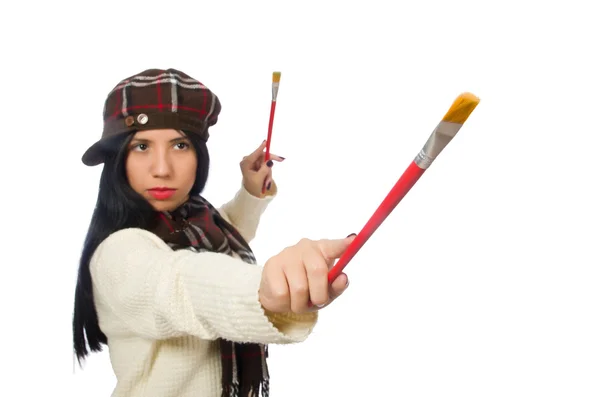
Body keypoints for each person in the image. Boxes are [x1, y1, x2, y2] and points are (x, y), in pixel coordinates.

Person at [72, 68, 354, 397]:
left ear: (198, 156)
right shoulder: (118, 253)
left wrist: (250, 192)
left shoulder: (191, 221)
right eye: (142, 147)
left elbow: (226, 231)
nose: (162, 168)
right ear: (117, 159)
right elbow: (181, 284)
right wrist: (260, 289)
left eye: (179, 145)